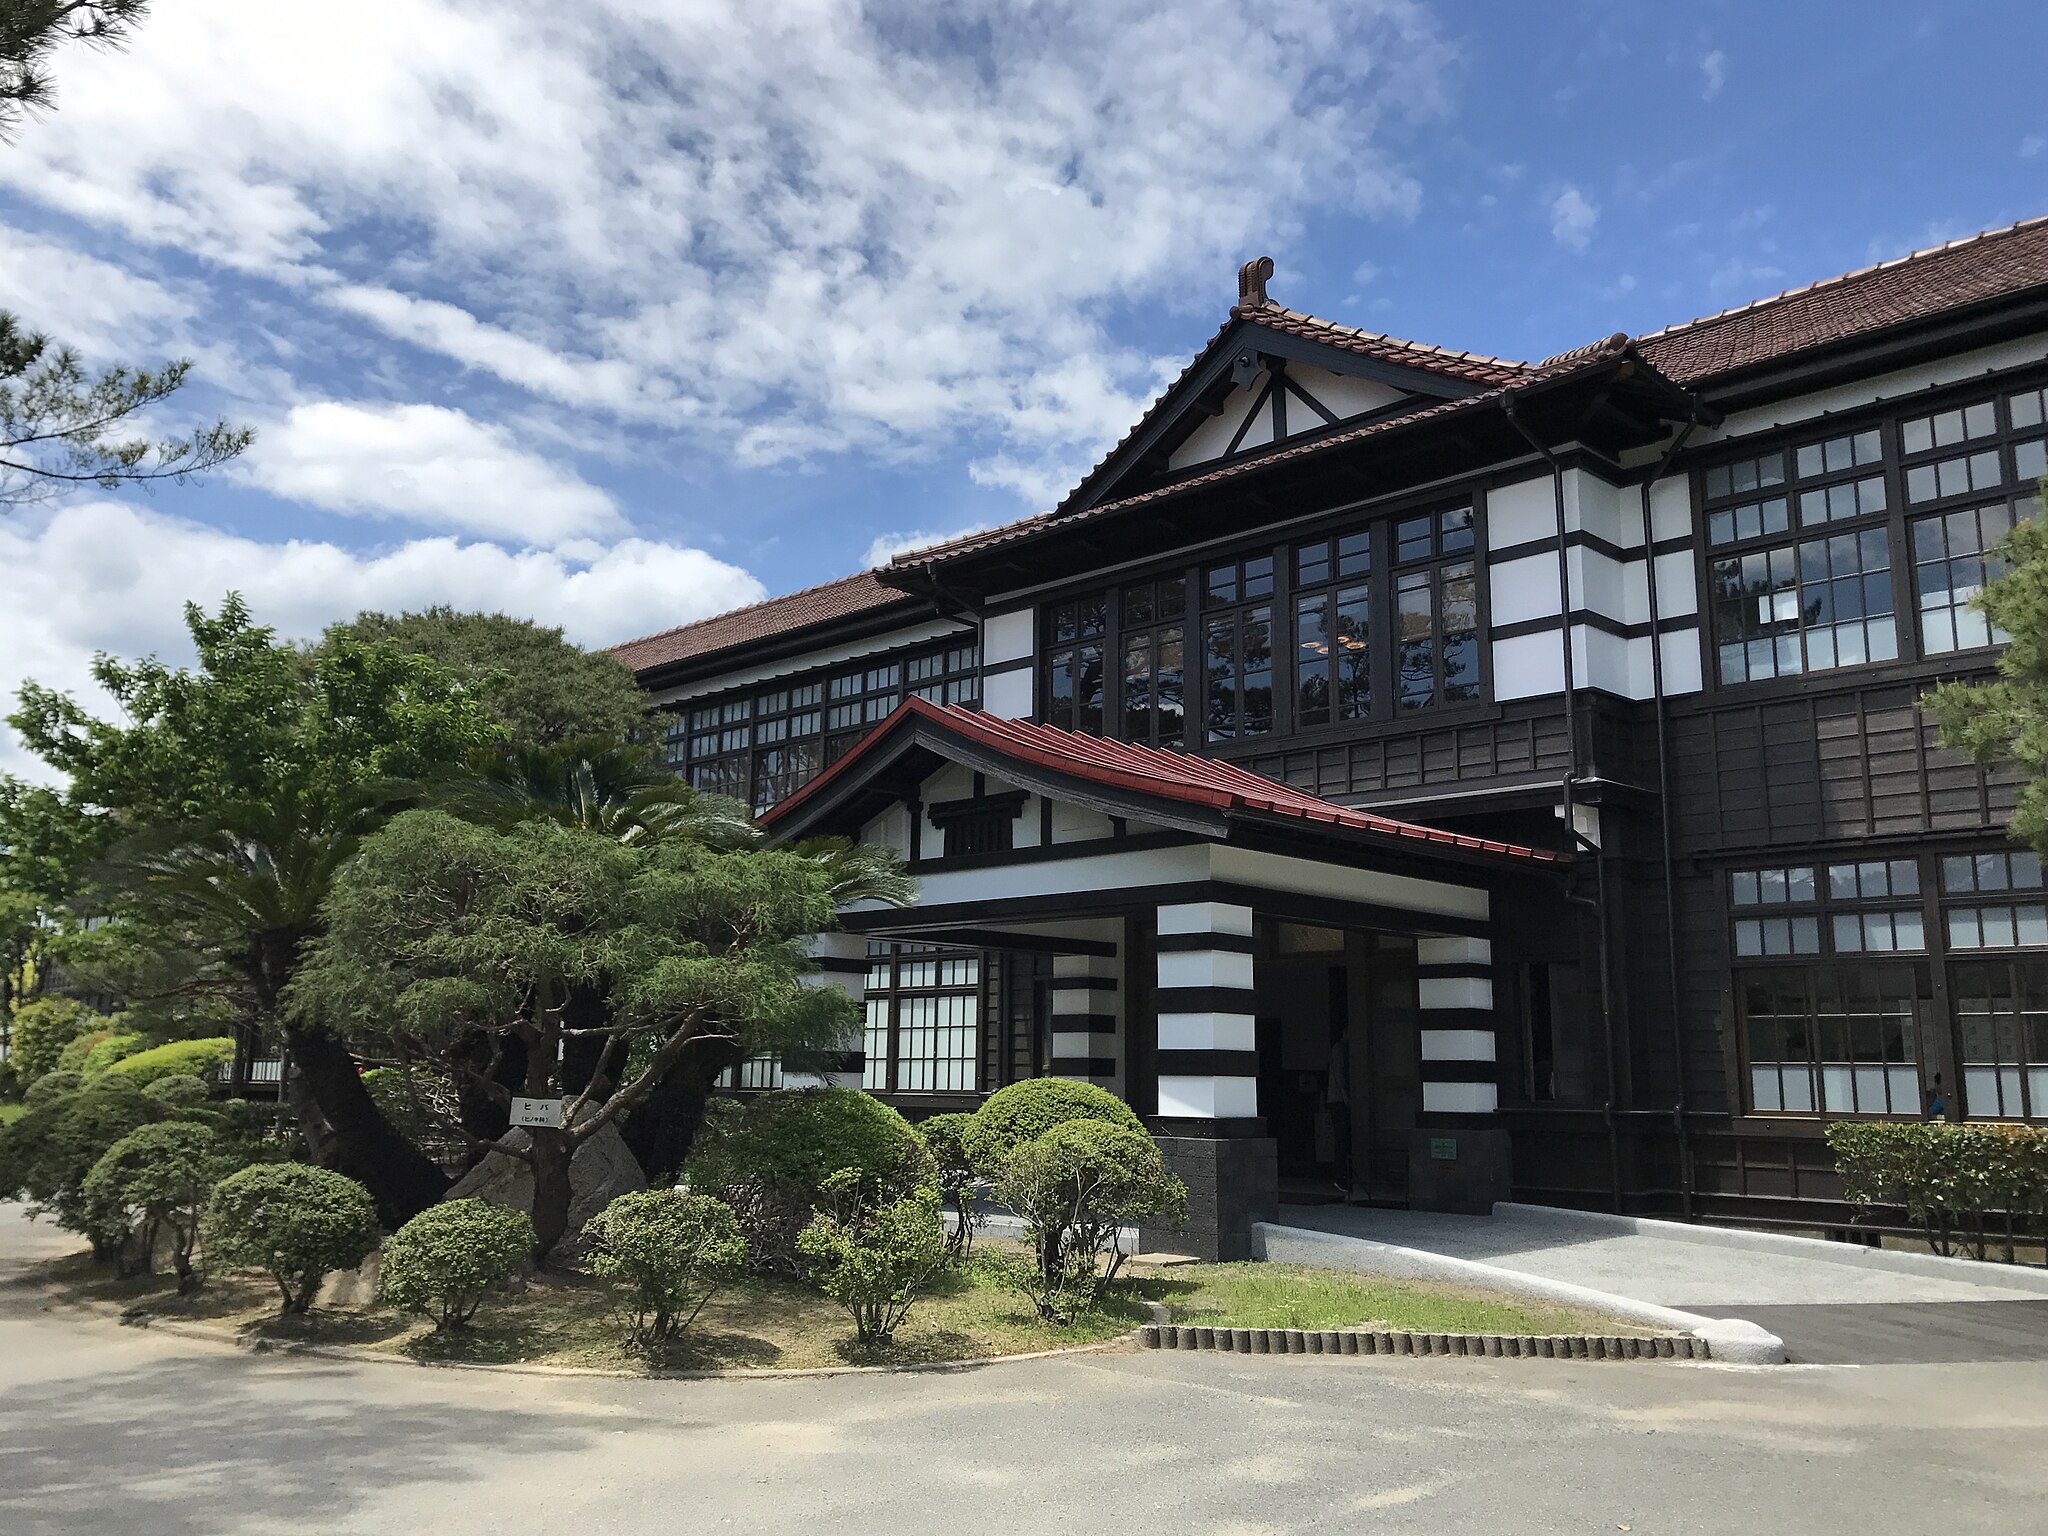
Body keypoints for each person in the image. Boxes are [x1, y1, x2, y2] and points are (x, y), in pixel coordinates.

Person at [1325, 1013, 1353, 1197]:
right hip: (1338, 1100)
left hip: (1337, 1099)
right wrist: (1346, 1097)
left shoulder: (1342, 1049)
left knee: (1344, 1138)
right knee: (1342, 1138)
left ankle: (1343, 1176)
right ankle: (1340, 1176)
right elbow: (1339, 1075)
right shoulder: (1339, 1049)